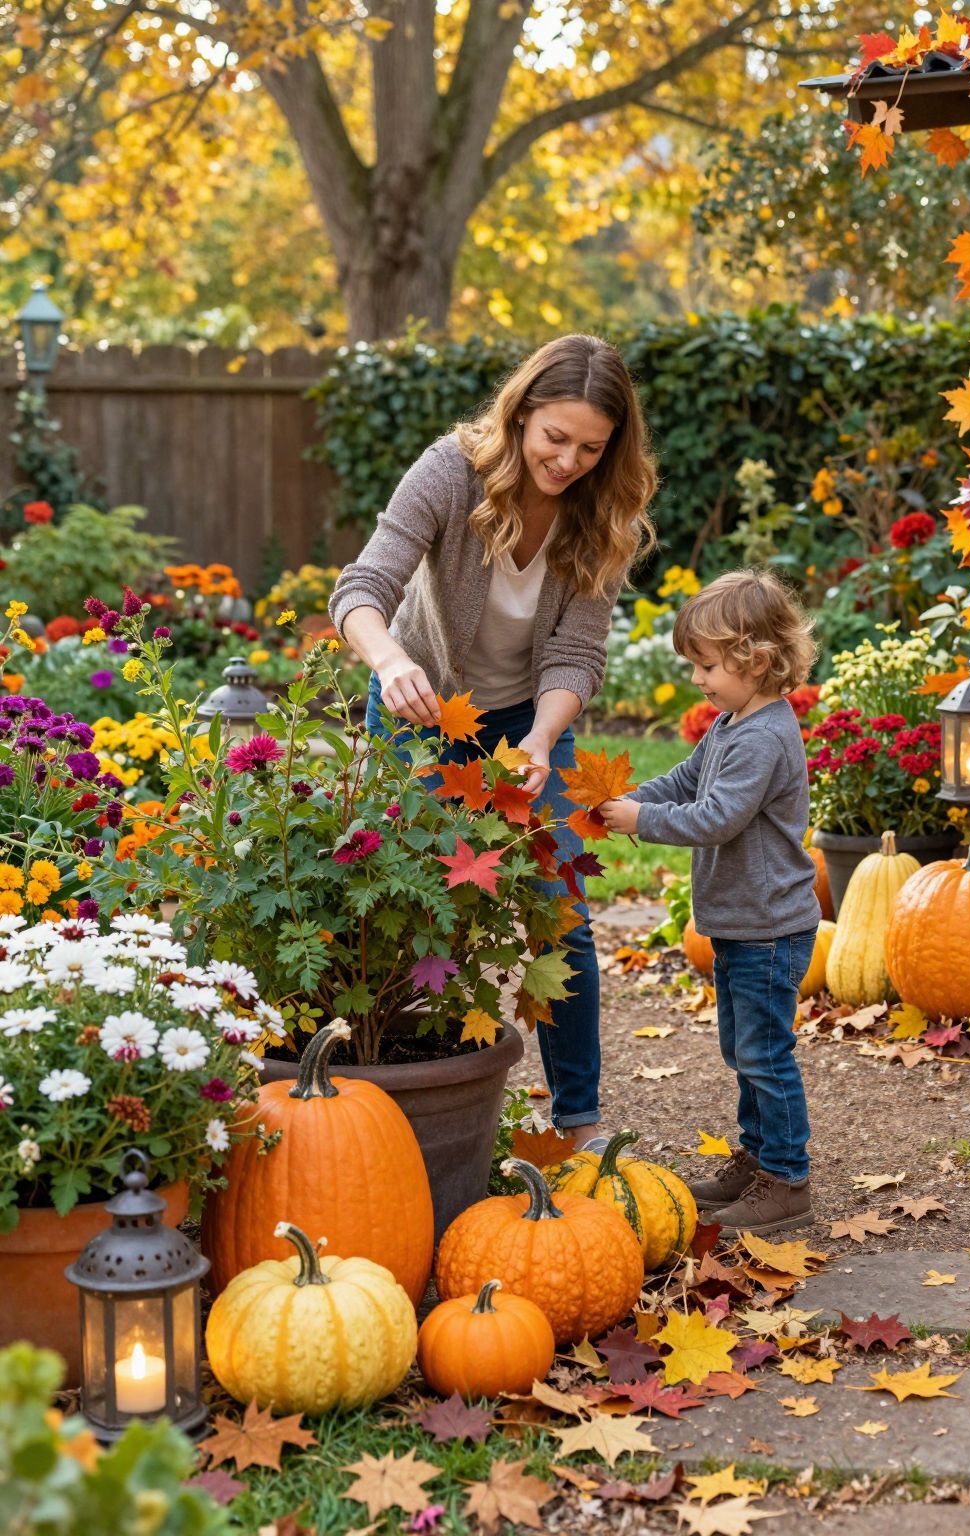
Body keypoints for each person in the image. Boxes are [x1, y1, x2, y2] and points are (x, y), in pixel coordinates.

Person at [330, 334, 658, 1152]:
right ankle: (394, 1101)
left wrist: (545, 738)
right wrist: (392, 660)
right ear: (520, 416)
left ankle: (577, 1121)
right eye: (555, 438)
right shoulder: (450, 472)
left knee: (562, 913)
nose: (568, 460)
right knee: (412, 903)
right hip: (419, 704)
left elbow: (577, 653)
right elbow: (364, 587)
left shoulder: (602, 510)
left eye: (591, 447)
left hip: (526, 720)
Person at [597, 570, 820, 1234]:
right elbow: (687, 779)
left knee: (764, 1053)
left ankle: (787, 1178)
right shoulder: (731, 723)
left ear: (756, 659)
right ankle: (757, 1160)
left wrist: (643, 821)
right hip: (739, 923)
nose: (697, 678)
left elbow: (716, 816)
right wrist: (633, 797)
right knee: (741, 1048)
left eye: (707, 665)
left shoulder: (764, 737)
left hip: (770, 927)